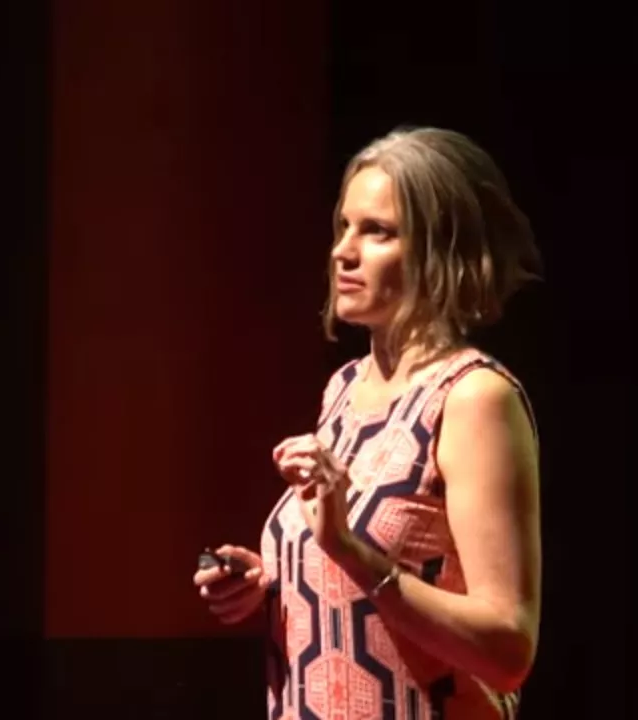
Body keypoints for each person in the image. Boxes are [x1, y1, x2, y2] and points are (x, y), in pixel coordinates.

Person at [193, 126, 543, 719]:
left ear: (439, 252)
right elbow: (355, 591)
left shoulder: (473, 398)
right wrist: (270, 582)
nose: (343, 251)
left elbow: (507, 650)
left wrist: (351, 552)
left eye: (377, 231)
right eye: (344, 226)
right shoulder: (345, 389)